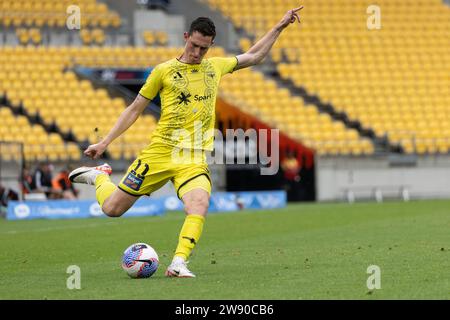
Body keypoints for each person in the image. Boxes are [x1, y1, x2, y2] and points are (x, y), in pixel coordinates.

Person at [69, 7, 303, 278]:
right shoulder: (163, 72)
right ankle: (100, 178)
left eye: (204, 48)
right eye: (194, 45)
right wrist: (105, 142)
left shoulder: (214, 67)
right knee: (112, 209)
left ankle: (179, 262)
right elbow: (134, 109)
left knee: (199, 204)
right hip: (160, 152)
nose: (197, 53)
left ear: (210, 46)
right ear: (185, 37)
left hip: (192, 159)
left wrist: (280, 26)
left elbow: (254, 55)